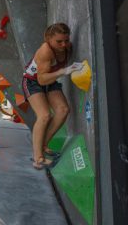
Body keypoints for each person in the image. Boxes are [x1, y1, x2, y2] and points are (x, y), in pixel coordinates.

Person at [22, 23, 83, 169]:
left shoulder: (68, 47)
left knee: (63, 110)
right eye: (59, 42)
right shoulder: (45, 51)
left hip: (50, 80)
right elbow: (41, 79)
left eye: (66, 40)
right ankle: (38, 159)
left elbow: (50, 78)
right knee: (44, 115)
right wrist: (64, 71)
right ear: (49, 39)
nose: (63, 44)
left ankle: (43, 144)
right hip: (33, 81)